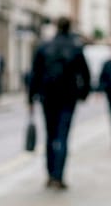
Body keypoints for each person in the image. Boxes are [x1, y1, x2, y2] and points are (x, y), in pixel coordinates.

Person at [29, 16, 91, 189]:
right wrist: (83, 94)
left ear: (56, 27)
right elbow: (85, 74)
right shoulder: (76, 47)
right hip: (68, 98)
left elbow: (35, 74)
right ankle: (58, 176)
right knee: (63, 136)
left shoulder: (44, 46)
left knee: (50, 136)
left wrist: (30, 98)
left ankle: (49, 174)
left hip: (47, 98)